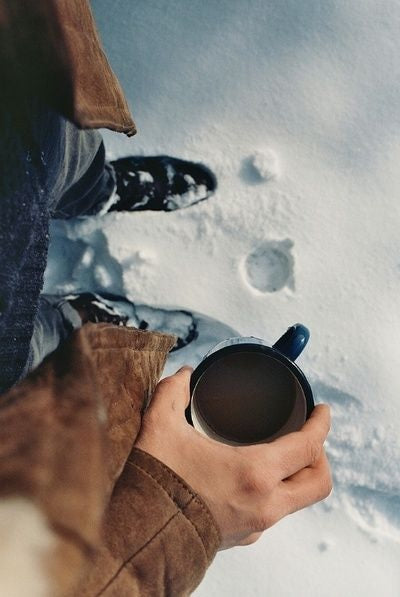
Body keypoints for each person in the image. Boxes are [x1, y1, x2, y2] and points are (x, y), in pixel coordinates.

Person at [0, 1, 332, 595]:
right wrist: (180, 510)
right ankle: (85, 325)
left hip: (19, 90)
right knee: (33, 350)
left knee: (57, 147)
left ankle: (92, 192)